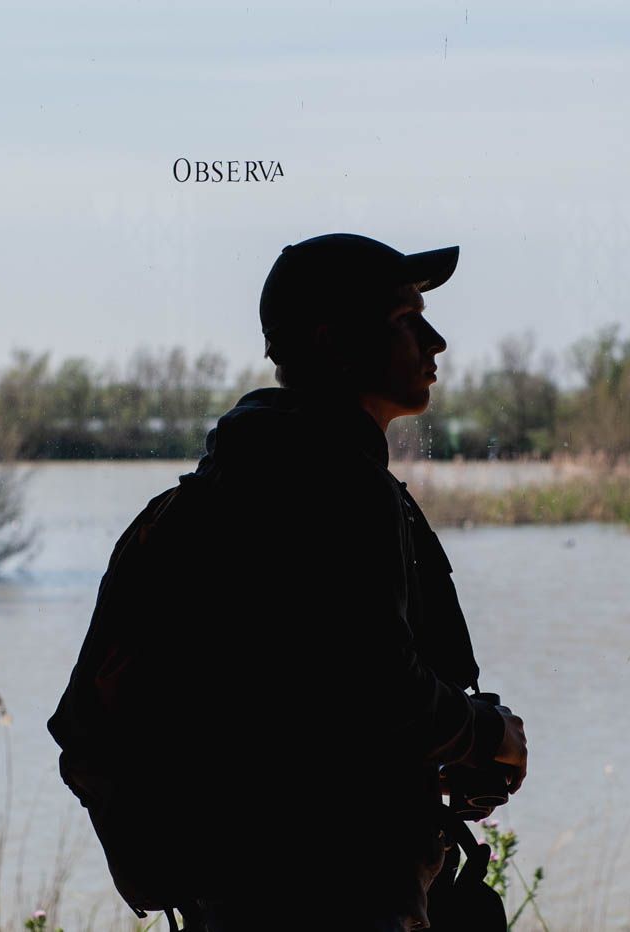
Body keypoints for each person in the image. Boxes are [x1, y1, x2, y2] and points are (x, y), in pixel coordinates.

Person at [159, 233, 528, 931]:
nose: (436, 340)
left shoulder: (248, 473)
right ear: (333, 342)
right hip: (333, 890)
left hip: (248, 886)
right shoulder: (335, 487)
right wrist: (488, 734)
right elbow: (382, 693)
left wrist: (439, 759)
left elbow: (310, 704)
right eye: (405, 320)